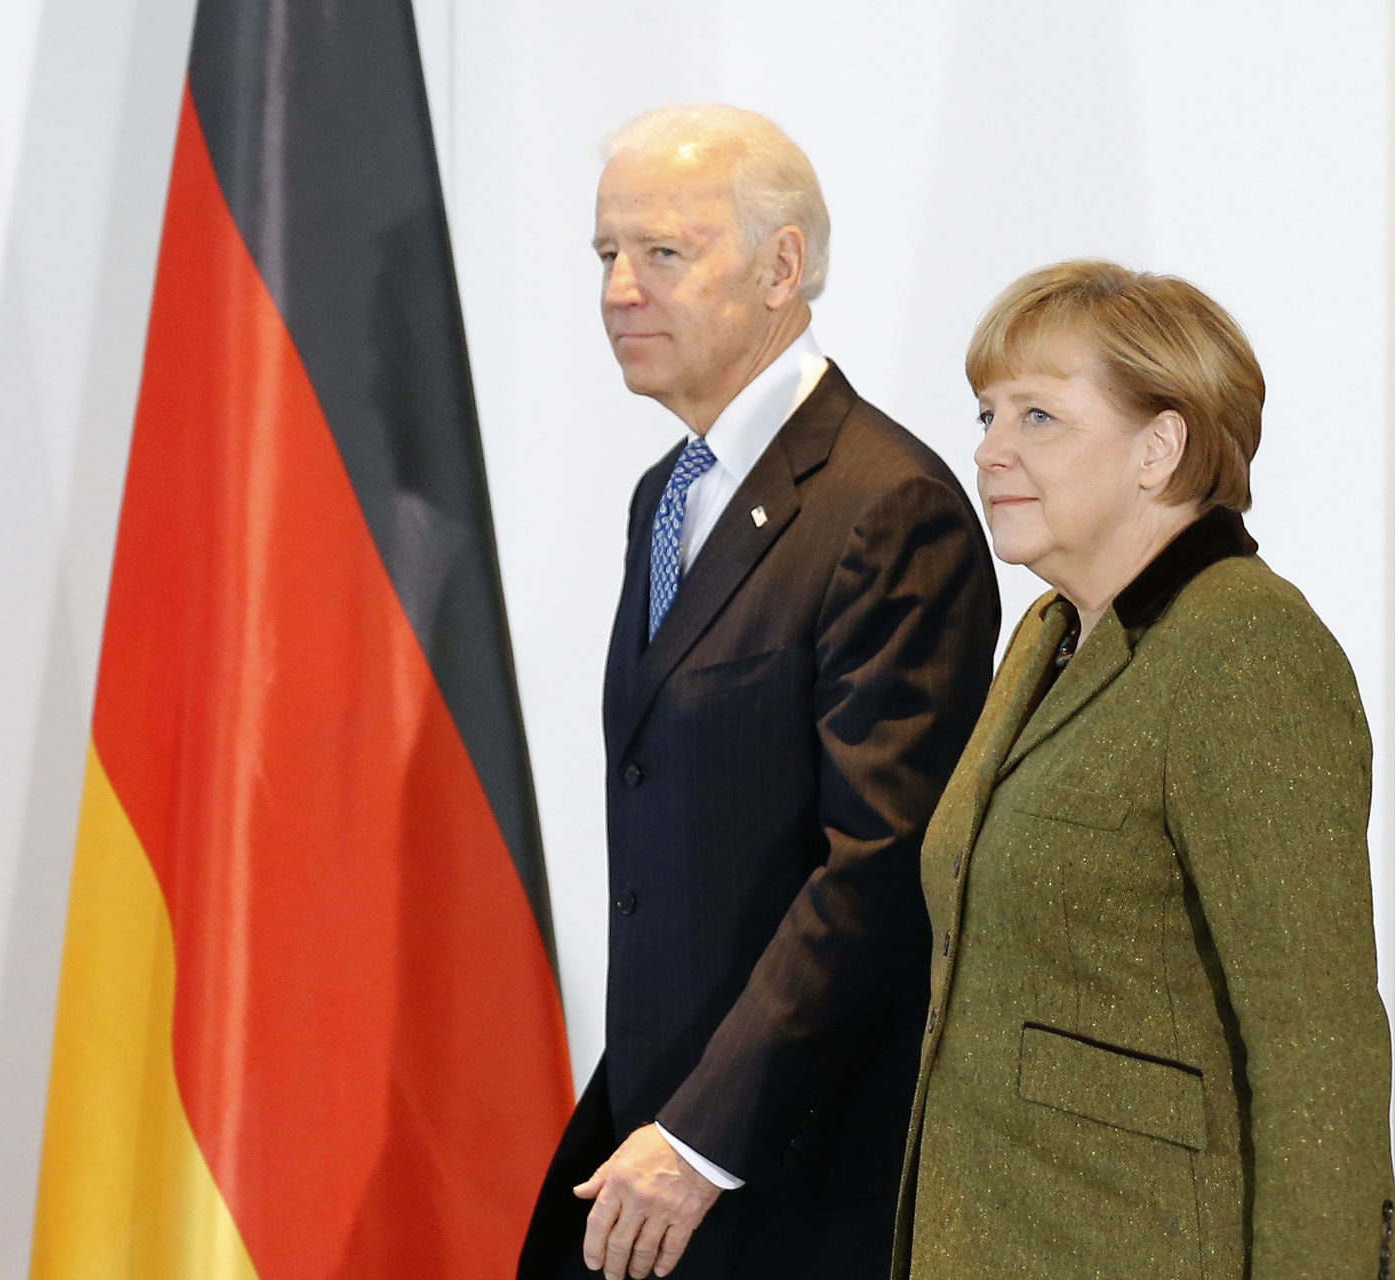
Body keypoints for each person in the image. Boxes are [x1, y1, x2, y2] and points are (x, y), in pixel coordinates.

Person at [518, 105, 998, 1280]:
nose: (620, 289)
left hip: (788, 1179)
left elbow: (880, 867)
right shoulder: (665, 494)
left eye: (663, 253)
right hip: (658, 1140)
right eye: (606, 256)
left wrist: (697, 1138)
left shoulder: (889, 507)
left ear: (783, 266)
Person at [895, 260, 1395, 1278]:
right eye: (986, 413)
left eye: (1039, 416)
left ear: (1159, 447)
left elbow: (1320, 1053)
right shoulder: (1045, 632)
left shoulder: (1246, 650)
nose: (989, 450)